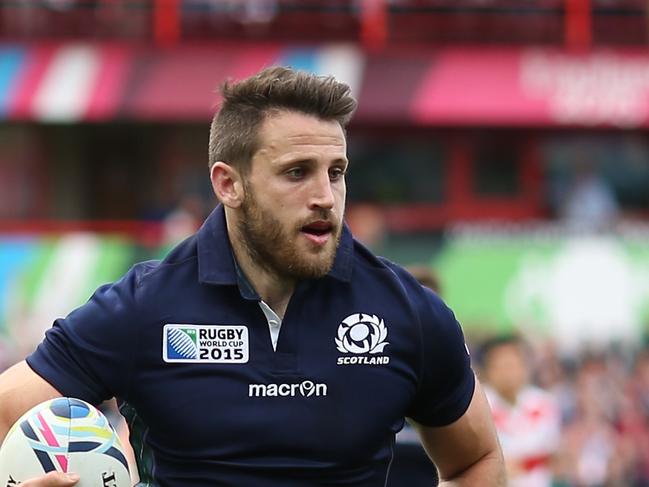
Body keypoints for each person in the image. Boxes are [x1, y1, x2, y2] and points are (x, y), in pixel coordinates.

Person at [0, 67, 505, 486]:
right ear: (229, 184)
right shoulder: (143, 306)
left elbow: (475, 460)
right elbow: (6, 412)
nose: (326, 197)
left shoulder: (408, 311)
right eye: (296, 171)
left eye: (336, 171)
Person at [479, 334, 561, 487]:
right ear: (488, 370)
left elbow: (551, 453)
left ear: (525, 367)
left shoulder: (544, 404)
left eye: (511, 365)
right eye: (500, 366)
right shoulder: (479, 408)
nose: (507, 374)